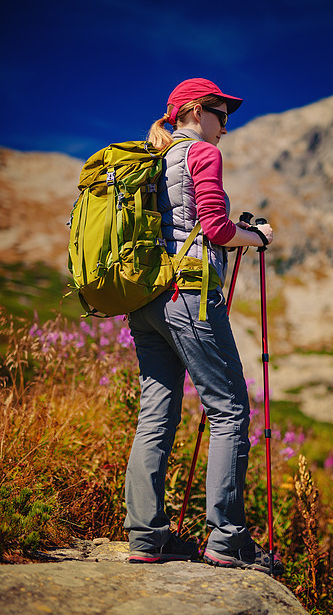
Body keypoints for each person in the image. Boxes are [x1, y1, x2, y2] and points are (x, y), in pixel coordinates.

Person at [124, 78, 283, 575]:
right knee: (230, 409)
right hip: (189, 295)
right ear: (195, 110)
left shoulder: (153, 158)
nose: (226, 125)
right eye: (220, 112)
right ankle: (227, 538)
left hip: (147, 298)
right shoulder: (201, 154)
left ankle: (146, 537)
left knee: (156, 415)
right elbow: (214, 228)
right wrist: (256, 237)